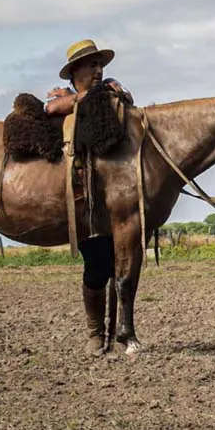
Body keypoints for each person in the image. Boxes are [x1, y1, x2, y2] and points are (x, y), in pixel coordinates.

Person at [45, 39, 133, 354]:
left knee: (119, 267)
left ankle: (118, 333)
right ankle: (95, 334)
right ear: (75, 71)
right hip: (84, 199)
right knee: (97, 267)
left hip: (116, 197)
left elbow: (122, 96)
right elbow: (50, 108)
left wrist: (96, 94)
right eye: (91, 65)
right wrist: (81, 98)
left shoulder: (111, 89)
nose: (98, 70)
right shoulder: (65, 98)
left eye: (100, 65)